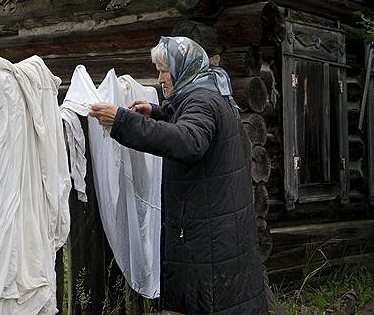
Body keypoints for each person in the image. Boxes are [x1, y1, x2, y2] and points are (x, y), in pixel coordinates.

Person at [89, 36, 266, 314]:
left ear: (183, 68)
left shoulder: (202, 100)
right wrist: (158, 113)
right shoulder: (208, 91)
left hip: (207, 236)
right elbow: (191, 123)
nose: (160, 78)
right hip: (216, 225)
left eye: (164, 69)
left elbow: (189, 140)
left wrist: (123, 121)